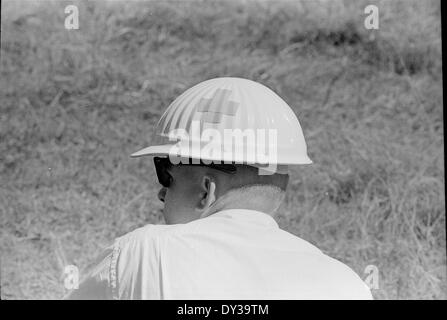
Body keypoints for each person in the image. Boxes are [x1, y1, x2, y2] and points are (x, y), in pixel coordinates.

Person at [65, 77, 372, 299]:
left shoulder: (141, 255)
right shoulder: (346, 284)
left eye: (165, 177)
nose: (161, 194)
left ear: (206, 189)